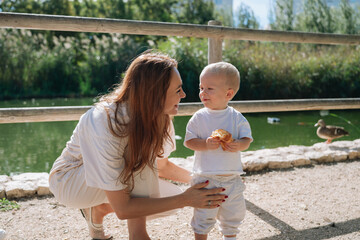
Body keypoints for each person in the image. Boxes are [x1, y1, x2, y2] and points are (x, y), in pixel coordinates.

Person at [49, 51, 227, 240]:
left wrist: (207, 180)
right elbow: (124, 209)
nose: (183, 94)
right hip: (69, 181)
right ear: (154, 93)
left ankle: (98, 211)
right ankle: (138, 235)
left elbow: (162, 166)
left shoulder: (159, 115)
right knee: (145, 165)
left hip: (106, 179)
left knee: (167, 193)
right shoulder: (104, 121)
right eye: (177, 90)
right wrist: (186, 199)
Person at [184, 62, 253, 240]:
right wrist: (205, 145)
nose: (202, 93)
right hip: (206, 178)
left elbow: (247, 140)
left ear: (228, 94)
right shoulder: (199, 117)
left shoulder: (236, 117)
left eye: (209, 88)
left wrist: (239, 144)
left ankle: (230, 237)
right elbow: (189, 141)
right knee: (203, 214)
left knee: (233, 214)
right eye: (201, 87)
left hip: (232, 178)